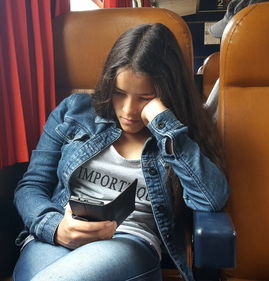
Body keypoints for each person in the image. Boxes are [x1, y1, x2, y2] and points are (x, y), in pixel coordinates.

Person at [12, 23, 229, 281]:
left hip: (129, 240)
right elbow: (31, 185)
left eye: (145, 98)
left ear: (166, 94)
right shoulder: (74, 111)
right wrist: (54, 227)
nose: (128, 110)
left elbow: (210, 199)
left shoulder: (179, 134)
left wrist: (164, 126)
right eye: (119, 93)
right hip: (59, 231)